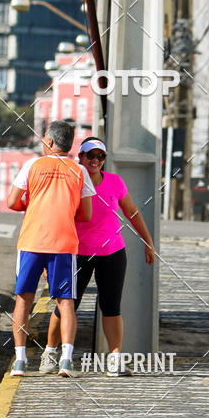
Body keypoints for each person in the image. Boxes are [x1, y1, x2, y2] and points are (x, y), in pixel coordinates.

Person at [40, 136, 156, 376]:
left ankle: (114, 358)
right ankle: (50, 352)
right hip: (75, 252)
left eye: (100, 156)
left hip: (112, 252)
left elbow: (132, 212)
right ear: (80, 157)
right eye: (90, 155)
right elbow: (53, 217)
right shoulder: (70, 181)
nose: (95, 160)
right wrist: (47, 257)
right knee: (66, 305)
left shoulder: (114, 182)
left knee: (111, 306)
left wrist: (148, 242)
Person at [7, 120, 95, 377]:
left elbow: (13, 202)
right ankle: (66, 361)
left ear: (50, 142)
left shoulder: (32, 165)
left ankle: (20, 362)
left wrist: (34, 205)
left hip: (32, 241)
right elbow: (86, 214)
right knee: (65, 301)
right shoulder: (80, 171)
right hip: (65, 243)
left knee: (24, 299)